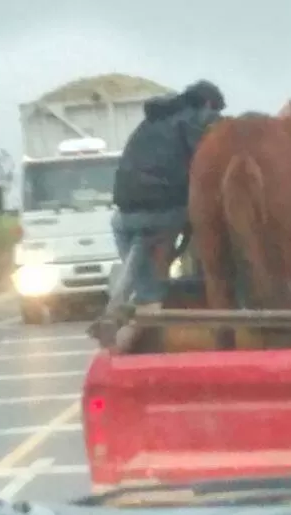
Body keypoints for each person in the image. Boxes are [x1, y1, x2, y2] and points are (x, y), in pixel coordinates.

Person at [90, 80, 226, 351]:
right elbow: (205, 168)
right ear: (208, 105)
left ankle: (125, 303)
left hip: (124, 213)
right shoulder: (192, 124)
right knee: (155, 252)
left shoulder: (149, 123)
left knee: (138, 247)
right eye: (215, 111)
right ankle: (141, 307)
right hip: (164, 209)